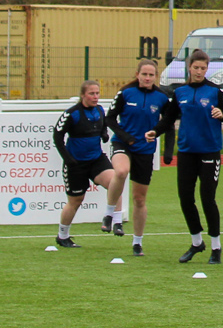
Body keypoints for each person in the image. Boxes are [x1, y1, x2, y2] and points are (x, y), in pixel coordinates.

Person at [155, 49, 223, 265]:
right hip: (187, 152)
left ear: (207, 69)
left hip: (209, 151)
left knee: (208, 198)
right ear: (189, 68)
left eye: (203, 68)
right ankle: (196, 242)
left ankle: (216, 247)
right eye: (196, 68)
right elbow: (168, 118)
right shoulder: (180, 92)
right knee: (186, 199)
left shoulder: (215, 91)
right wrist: (155, 131)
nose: (199, 71)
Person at [104, 59, 172, 256]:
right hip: (123, 143)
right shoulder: (125, 93)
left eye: (151, 75)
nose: (147, 78)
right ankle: (109, 214)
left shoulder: (161, 98)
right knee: (121, 171)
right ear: (137, 75)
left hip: (145, 150)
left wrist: (167, 152)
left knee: (139, 199)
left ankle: (137, 242)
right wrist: (126, 137)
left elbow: (167, 125)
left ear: (155, 77)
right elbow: (109, 118)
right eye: (144, 74)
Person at [51, 81, 120, 249]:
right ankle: (63, 235)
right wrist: (68, 159)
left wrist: (104, 134)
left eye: (97, 93)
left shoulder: (99, 110)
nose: (96, 97)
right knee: (76, 200)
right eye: (92, 94)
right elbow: (57, 136)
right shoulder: (72, 114)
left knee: (115, 181)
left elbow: (103, 125)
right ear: (83, 95)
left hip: (96, 159)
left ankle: (114, 220)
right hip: (76, 163)